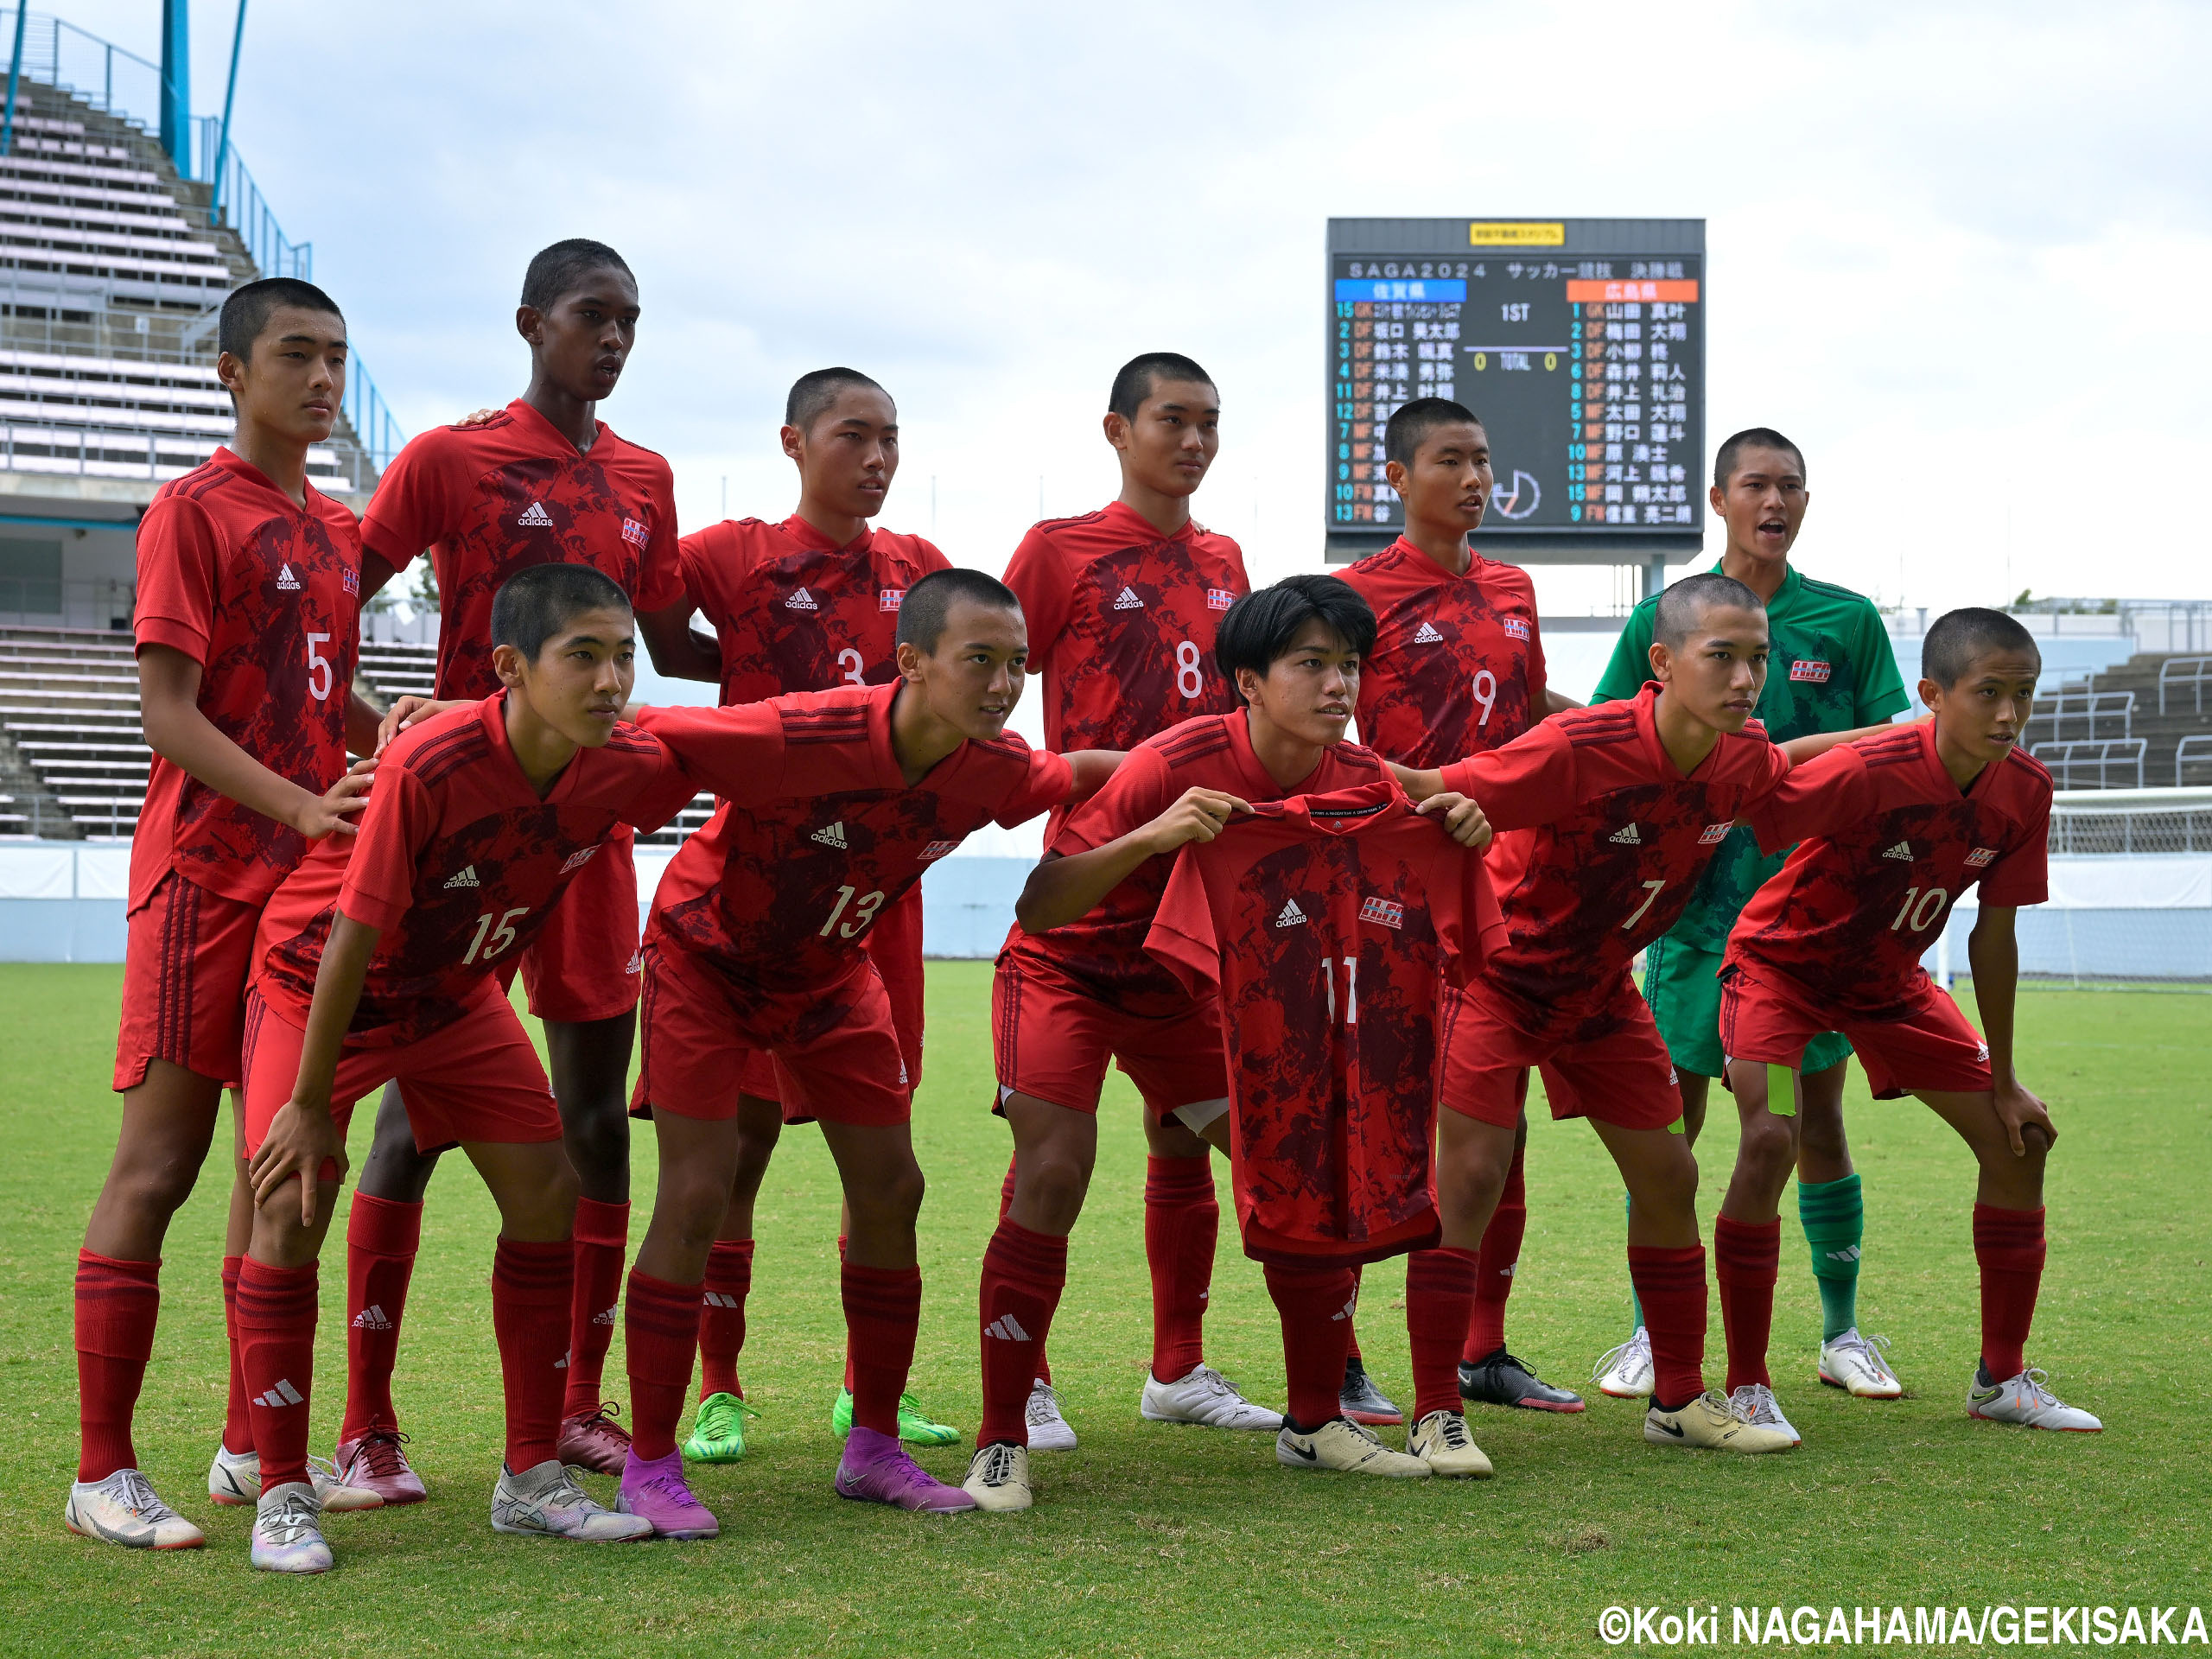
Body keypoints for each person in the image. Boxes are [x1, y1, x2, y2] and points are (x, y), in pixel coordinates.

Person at [612, 569, 1121, 1534]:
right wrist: (453, 719)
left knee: (893, 1190)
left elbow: (1082, 771)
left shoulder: (992, 767)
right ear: (913, 663)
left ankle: (873, 1447)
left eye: (1017, 664)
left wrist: (1210, 761)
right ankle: (650, 1463)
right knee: (695, 1191)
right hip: (705, 960)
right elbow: (649, 726)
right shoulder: (808, 731)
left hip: (829, 974)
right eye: (981, 661)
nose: (1004, 684)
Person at [339, 238, 717, 1497]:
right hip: (453, 833)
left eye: (630, 321)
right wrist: (376, 723)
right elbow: (335, 599)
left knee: (598, 1113)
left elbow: (669, 641)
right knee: (411, 1114)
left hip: (592, 832)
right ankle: (366, 1422)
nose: (613, 340)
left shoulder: (647, 476)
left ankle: (573, 1404)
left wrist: (843, 678)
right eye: (591, 318)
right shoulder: (451, 458)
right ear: (529, 324)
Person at [968, 576, 1471, 1512]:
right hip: (1065, 973)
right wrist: (1153, 835)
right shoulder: (1173, 761)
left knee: (1305, 1168)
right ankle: (1003, 1437)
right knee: (1052, 1169)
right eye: (1310, 665)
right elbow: (1039, 904)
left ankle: (1315, 1423)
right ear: (1247, 681)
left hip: (1185, 996)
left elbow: (1427, 830)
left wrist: (1463, 821)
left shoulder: (1361, 779)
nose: (1337, 687)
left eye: (1349, 666)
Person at [232, 564, 701, 1570]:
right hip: (319, 986)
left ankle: (530, 1477)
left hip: (452, 997)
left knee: (547, 1192)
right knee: (289, 1202)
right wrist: (311, 1105)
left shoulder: (620, 759)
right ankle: (280, 1493)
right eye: (583, 655)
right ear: (512, 668)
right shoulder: (429, 765)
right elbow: (353, 935)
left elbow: (759, 741)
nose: (612, 679)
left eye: (624, 655)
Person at [66, 278, 387, 1553]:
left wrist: (390, 737)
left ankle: (254, 1446)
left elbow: (326, 685)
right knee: (163, 1164)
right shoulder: (191, 511)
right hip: (206, 880)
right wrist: (306, 806)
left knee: (286, 1176)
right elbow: (169, 714)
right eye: (297, 356)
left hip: (303, 893)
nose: (322, 379)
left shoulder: (337, 528)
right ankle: (99, 1474)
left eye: (338, 359)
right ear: (232, 374)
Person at [1397, 571, 1847, 1456]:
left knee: (1669, 1176)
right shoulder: (1574, 747)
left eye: (1757, 658)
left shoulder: (1741, 758)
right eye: (1721, 657)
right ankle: (1433, 1411)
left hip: (1601, 990)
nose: (1745, 678)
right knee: (1473, 1180)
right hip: (1494, 976)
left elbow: (1805, 767)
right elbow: (1431, 789)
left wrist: (1929, 741)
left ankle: (1678, 1401)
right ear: (1662, 662)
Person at [1714, 607, 2100, 1437]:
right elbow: (1757, 796)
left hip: (1891, 988)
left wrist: (2003, 1081)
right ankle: (1746, 1386)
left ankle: (2001, 1381)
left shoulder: (2024, 792)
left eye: (2022, 696)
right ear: (1932, 695)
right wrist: (1830, 746)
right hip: (1783, 978)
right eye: (1988, 693)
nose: (2008, 714)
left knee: (2018, 1139)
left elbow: (1995, 937)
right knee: (1772, 1138)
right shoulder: (1871, 768)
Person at [1588, 429, 1910, 1405]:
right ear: (1719, 497)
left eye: (1790, 487)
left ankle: (1842, 1329)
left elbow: (1889, 751)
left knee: (1817, 1119)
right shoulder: (1665, 612)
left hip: (1810, 922)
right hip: (1689, 914)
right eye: (1756, 485)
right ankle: (1653, 1328)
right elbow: (1612, 739)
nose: (1774, 501)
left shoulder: (1845, 620)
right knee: (1668, 1122)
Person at [672, 366, 957, 1460]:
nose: (877, 457)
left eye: (890, 437)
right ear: (793, 442)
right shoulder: (734, 555)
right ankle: (719, 1387)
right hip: (756, 896)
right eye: (853, 435)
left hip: (878, 899)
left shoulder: (919, 570)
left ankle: (861, 1393)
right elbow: (648, 625)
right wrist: (738, 673)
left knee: (876, 1146)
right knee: (734, 1152)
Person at [992, 351, 1262, 1452]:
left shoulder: (1228, 559)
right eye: (1170, 420)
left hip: (1192, 912)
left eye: (1208, 422)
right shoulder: (1060, 551)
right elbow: (989, 676)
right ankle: (1030, 1380)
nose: (1192, 441)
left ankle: (1178, 1370)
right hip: (1089, 891)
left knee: (1203, 1136)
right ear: (1117, 429)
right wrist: (1107, 773)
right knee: (1051, 1157)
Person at [1338, 395, 1584, 1419]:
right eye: (1450, 460)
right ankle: (1339, 1352)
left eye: (1483, 460)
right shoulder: (1352, 595)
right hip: (1385, 883)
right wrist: (1433, 792)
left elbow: (1528, 722)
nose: (1474, 479)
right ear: (1395, 478)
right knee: (1365, 1119)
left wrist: (1634, 730)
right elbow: (1328, 739)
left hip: (1493, 882)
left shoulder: (1514, 586)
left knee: (1499, 1118)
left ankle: (1482, 1349)